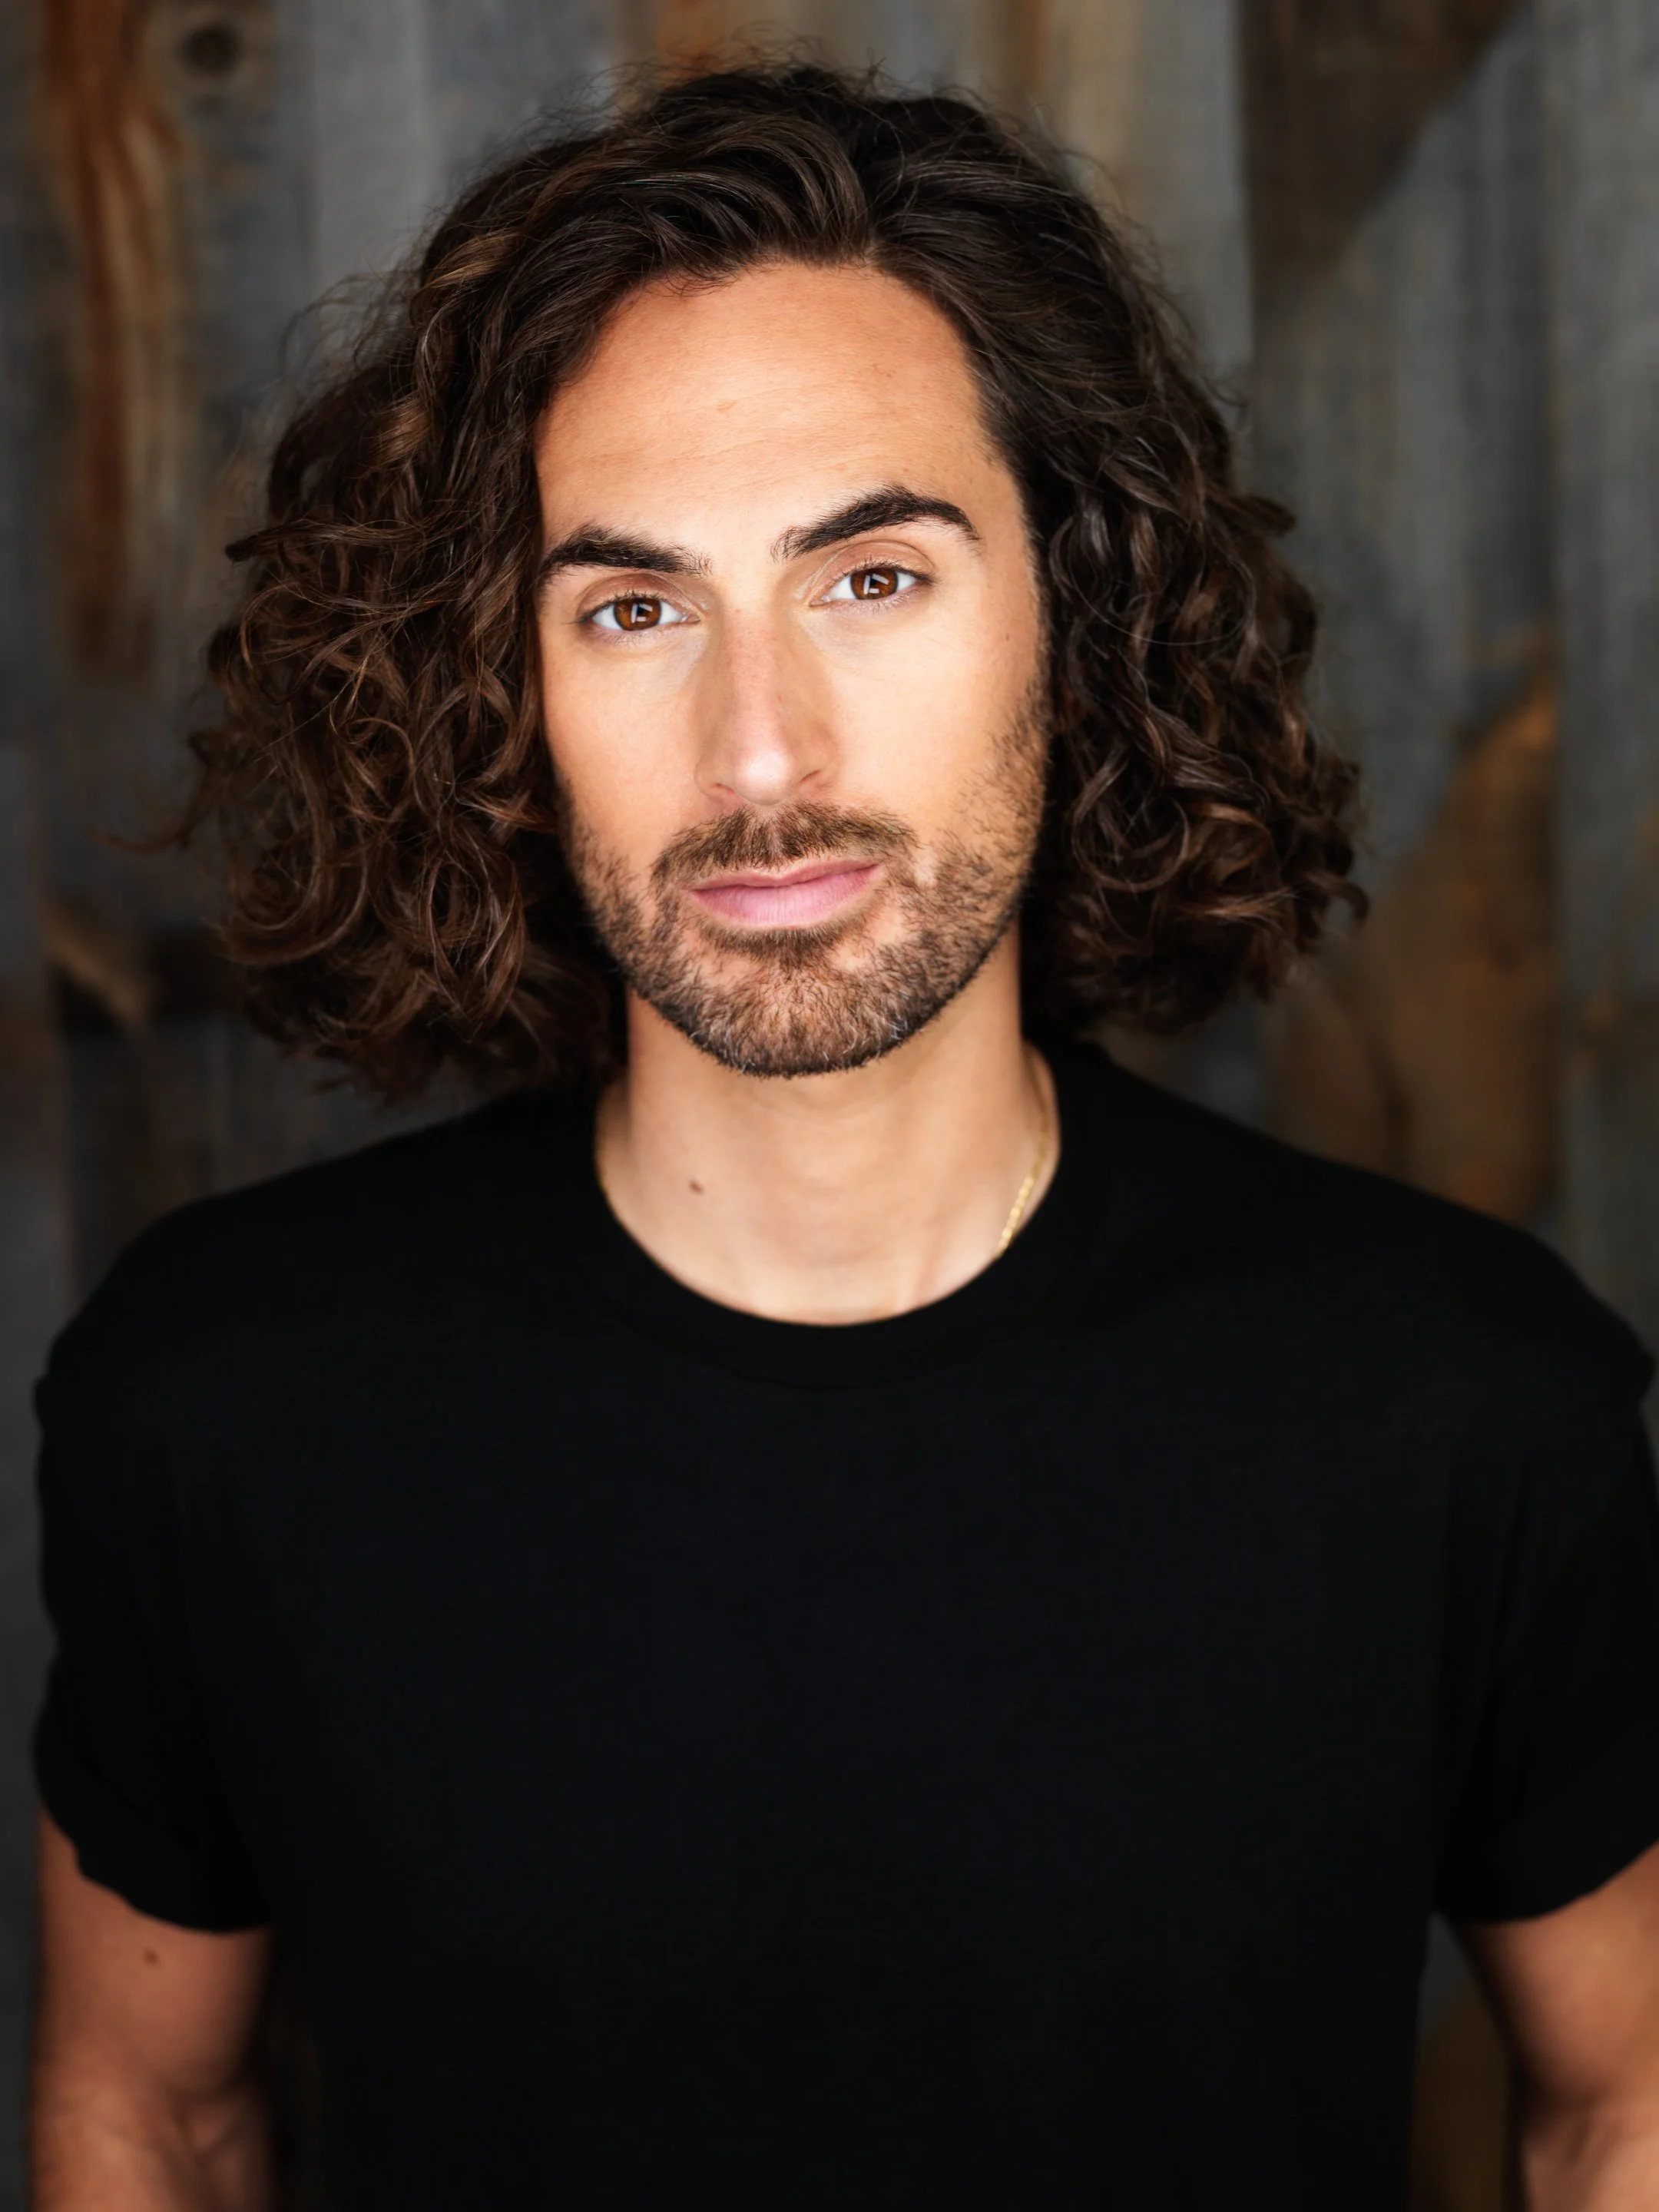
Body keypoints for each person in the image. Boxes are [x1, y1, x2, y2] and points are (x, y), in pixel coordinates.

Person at [28, 61, 1659, 2212]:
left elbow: (1623, 2100)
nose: (761, 753)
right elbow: (148, 2112)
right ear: (501, 693)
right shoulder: (219, 1404)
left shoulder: (1461, 1405)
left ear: (1073, 613)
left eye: (872, 578)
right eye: (634, 608)